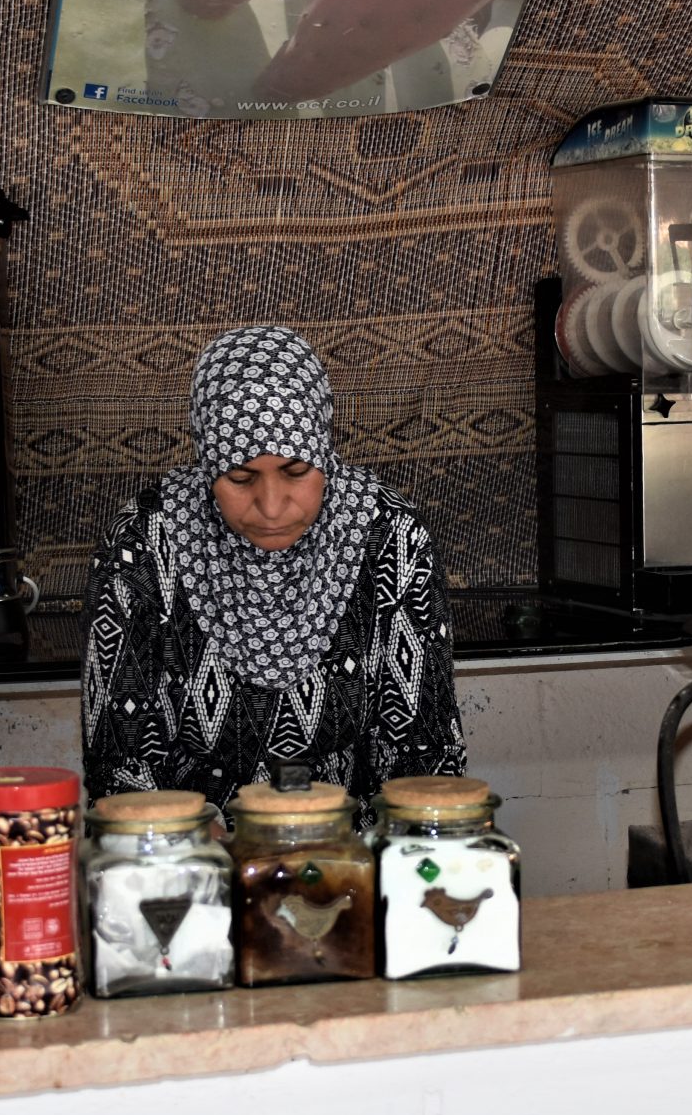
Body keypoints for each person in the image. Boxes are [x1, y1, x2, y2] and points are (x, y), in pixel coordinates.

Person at [83, 325, 465, 817]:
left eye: (295, 471)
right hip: (184, 852)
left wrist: (356, 850)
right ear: (207, 464)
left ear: (324, 453)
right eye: (240, 477)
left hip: (348, 850)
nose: (270, 506)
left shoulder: (389, 536)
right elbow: (118, 760)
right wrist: (193, 845)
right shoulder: (144, 545)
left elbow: (425, 756)